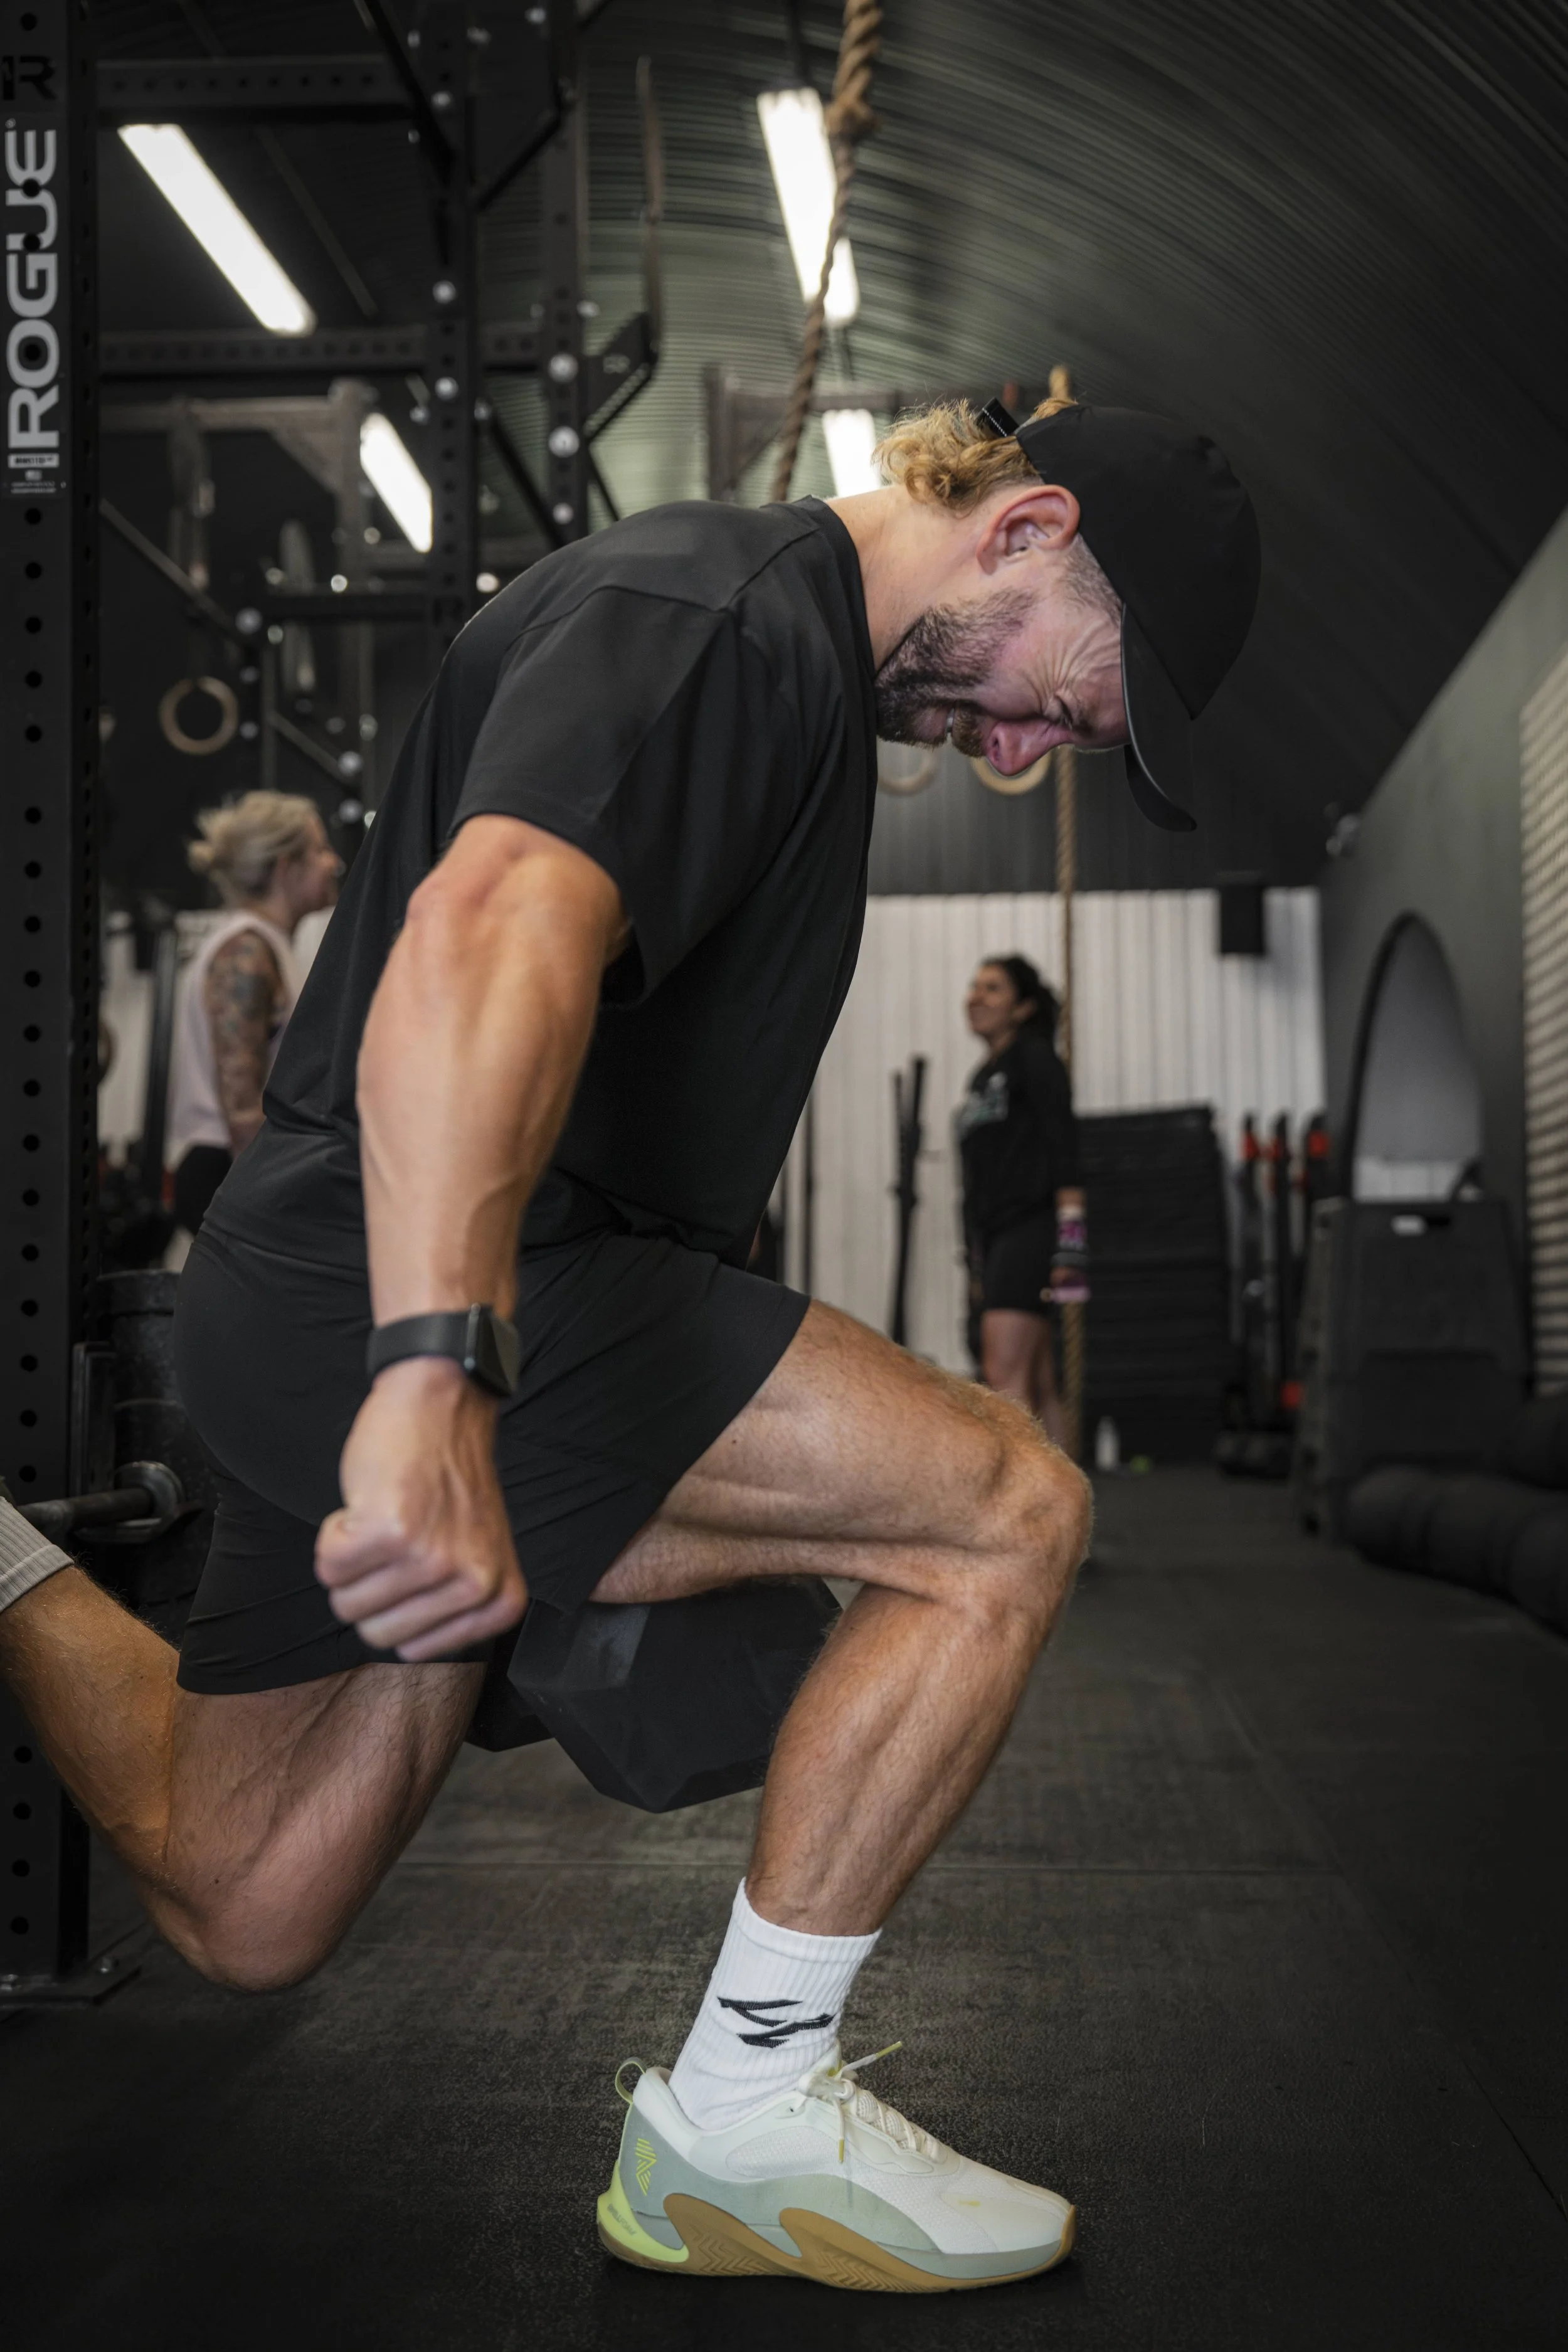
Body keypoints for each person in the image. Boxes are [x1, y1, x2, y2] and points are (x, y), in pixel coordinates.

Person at [0, 392, 1259, 2292]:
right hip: (442, 1287)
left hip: (347, 1293)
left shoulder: (793, 674)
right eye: (1051, 698)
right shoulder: (722, 618)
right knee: (999, 1503)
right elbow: (483, 934)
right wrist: (432, 1363)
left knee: (249, 1897)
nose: (1014, 754)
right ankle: (743, 2110)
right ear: (1021, 527)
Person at [166, 793, 342, 1236]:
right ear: (287, 867)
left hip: (243, 1169)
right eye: (320, 850)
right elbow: (243, 1113)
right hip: (227, 1169)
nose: (333, 862)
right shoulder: (246, 951)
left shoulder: (269, 947)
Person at [958, 953, 1084, 1441]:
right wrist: (975, 1260)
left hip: (1030, 1229)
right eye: (975, 986)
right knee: (1038, 1382)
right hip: (997, 1237)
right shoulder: (982, 1077)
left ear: (1024, 1007)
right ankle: (1067, 1510)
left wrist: (1072, 1246)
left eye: (993, 988)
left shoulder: (1034, 1058)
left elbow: (1066, 1148)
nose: (976, 997)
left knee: (1004, 1379)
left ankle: (1025, 1511)